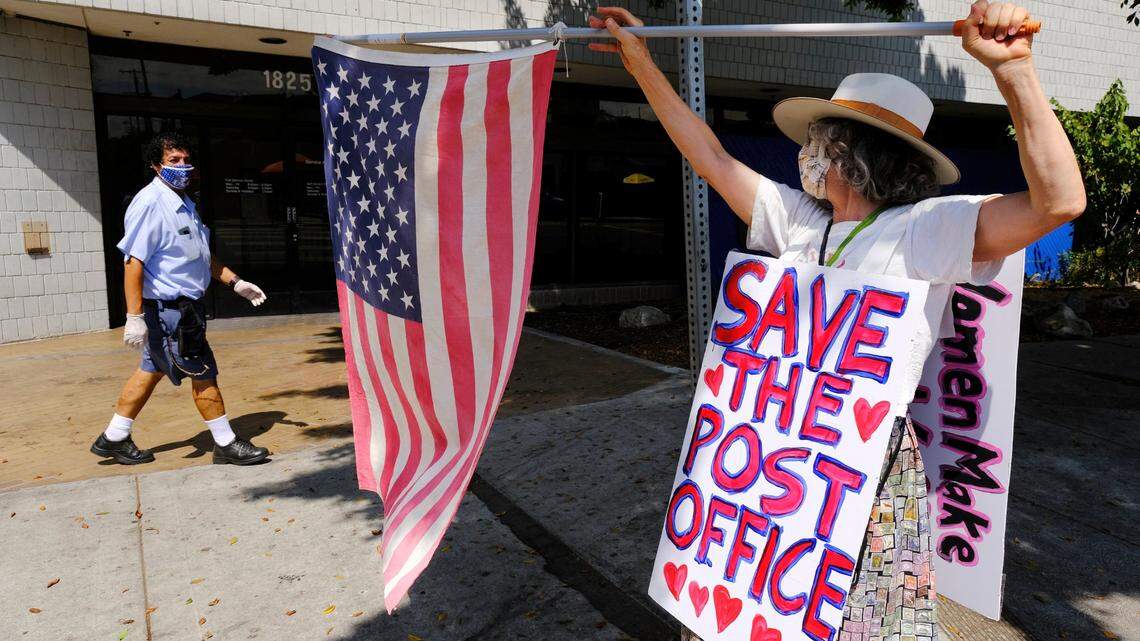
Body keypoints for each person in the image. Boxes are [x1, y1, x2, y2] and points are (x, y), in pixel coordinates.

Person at [588, 1, 1084, 638]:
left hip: (862, 470)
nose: (805, 154)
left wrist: (1014, 72)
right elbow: (710, 157)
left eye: (816, 141)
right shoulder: (800, 221)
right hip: (774, 459)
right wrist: (642, 67)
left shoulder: (926, 231)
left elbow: (1060, 201)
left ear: (844, 153)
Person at [90, 133, 273, 466]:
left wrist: (235, 281)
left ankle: (114, 437)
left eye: (186, 160)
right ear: (156, 165)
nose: (183, 167)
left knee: (150, 370)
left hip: (183, 310)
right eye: (173, 161)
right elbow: (133, 263)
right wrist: (134, 317)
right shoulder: (151, 203)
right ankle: (225, 442)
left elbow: (199, 254)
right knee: (203, 371)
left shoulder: (185, 202)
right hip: (171, 313)